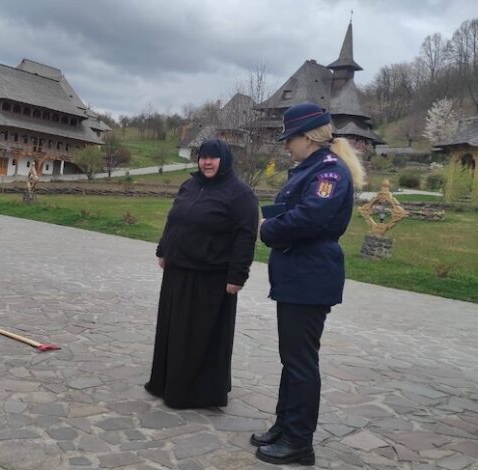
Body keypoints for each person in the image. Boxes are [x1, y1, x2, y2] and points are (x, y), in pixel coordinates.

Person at [252, 102, 365, 466]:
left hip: (309, 277)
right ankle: (284, 426)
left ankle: (299, 441)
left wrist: (267, 228)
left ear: (308, 137)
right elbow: (298, 209)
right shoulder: (312, 168)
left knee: (300, 362)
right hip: (298, 275)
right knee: (292, 359)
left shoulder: (329, 171)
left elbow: (310, 216)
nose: (286, 145)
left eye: (290, 138)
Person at [145, 138, 259, 409]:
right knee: (173, 333)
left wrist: (237, 276)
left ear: (225, 160)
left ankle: (195, 393)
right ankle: (165, 383)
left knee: (197, 338)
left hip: (210, 278)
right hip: (177, 272)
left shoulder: (240, 194)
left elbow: (245, 236)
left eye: (212, 157)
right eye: (203, 157)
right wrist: (164, 249)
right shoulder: (190, 185)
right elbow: (174, 220)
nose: (206, 162)